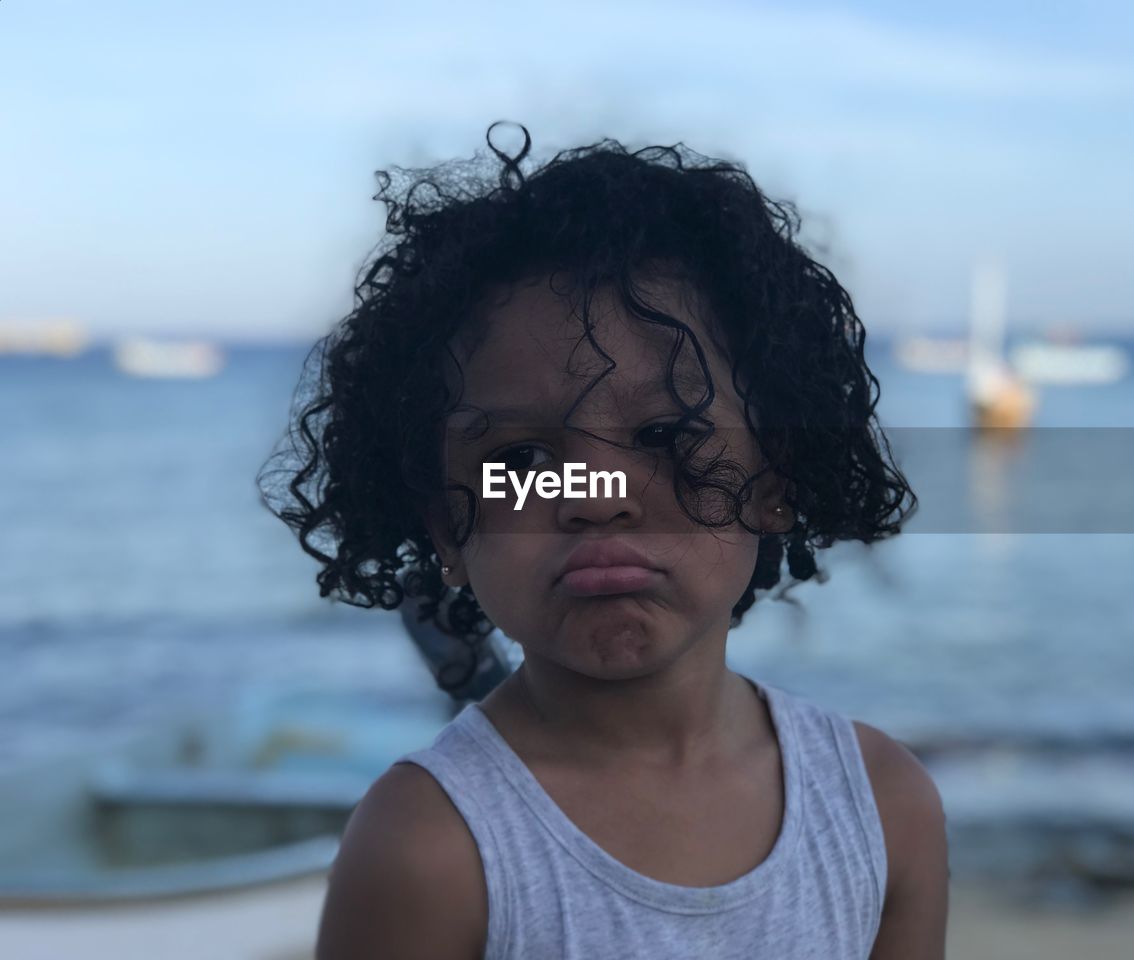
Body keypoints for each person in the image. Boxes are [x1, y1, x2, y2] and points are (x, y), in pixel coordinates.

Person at [259, 121, 947, 959]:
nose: (596, 496)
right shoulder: (427, 849)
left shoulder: (883, 808)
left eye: (666, 435)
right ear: (444, 525)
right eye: (519, 458)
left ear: (774, 484)